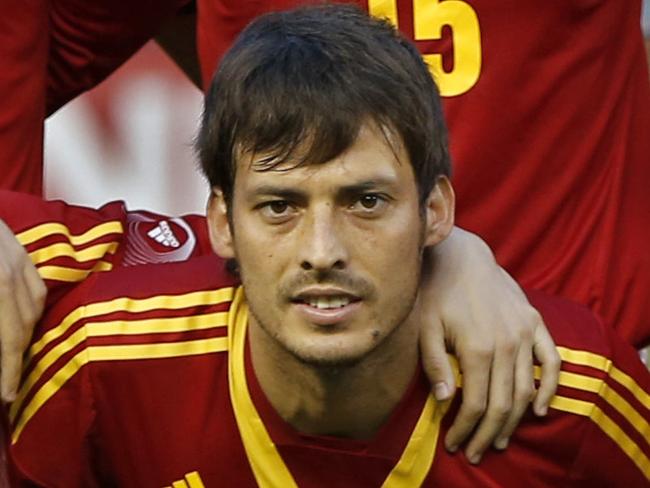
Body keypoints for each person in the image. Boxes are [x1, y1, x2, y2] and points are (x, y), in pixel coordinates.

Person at [7, 7, 649, 485]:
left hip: (539, 385)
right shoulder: (106, 342)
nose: (321, 248)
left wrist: (443, 250)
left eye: (364, 200)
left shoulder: (585, 392)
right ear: (223, 220)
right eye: (280, 205)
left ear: (435, 209)